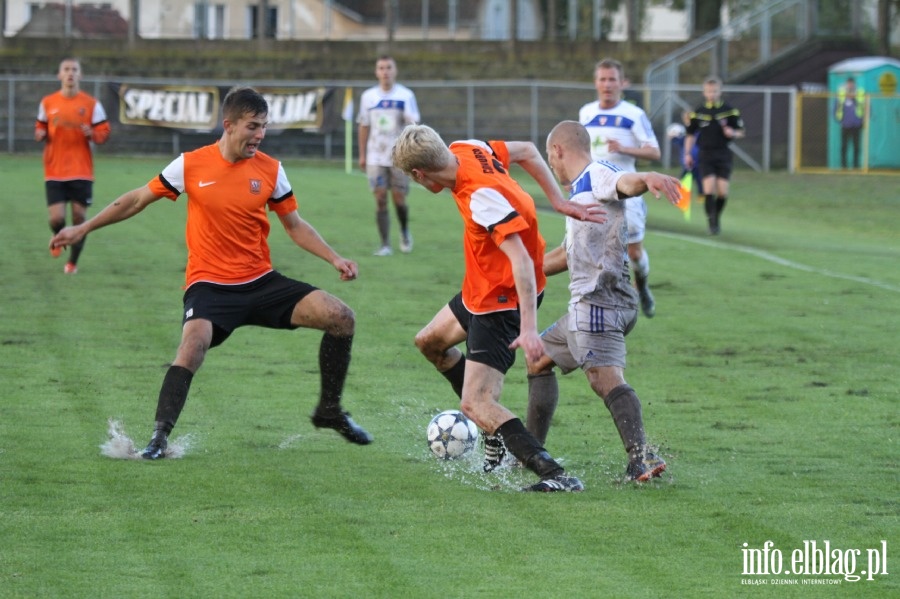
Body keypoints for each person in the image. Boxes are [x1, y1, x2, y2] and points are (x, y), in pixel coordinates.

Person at [50, 87, 372, 459]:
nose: (260, 135)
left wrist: (334, 258)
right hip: (210, 286)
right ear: (229, 124)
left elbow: (295, 225)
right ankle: (158, 440)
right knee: (192, 347)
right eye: (253, 126)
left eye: (264, 127)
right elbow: (137, 199)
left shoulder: (271, 169)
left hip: (261, 282)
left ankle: (329, 411)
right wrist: (82, 228)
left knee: (341, 317)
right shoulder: (190, 165)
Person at [391, 124, 604, 492]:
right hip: (480, 288)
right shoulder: (469, 148)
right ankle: (494, 431)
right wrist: (557, 201)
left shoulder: (481, 200)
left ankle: (555, 475)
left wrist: (527, 328)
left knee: (474, 403)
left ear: (418, 175)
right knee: (429, 342)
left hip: (501, 301)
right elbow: (527, 149)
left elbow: (521, 260)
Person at [526, 120, 681, 482]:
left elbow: (624, 183)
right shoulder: (580, 193)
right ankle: (531, 450)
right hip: (589, 306)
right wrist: (519, 271)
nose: (552, 165)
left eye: (551, 157)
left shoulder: (599, 173)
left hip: (599, 303)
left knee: (604, 378)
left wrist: (648, 177)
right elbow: (567, 255)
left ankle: (641, 457)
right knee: (537, 357)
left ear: (557, 151)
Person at [578, 58, 660, 319]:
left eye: (612, 79)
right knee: (594, 250)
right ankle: (603, 304)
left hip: (629, 191)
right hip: (595, 191)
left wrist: (624, 148)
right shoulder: (586, 112)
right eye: (602, 79)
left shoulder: (634, 114)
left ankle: (643, 285)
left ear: (621, 83)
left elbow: (654, 151)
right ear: (595, 83)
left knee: (634, 252)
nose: (607, 84)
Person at [35, 57, 111, 275]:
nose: (70, 73)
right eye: (66, 69)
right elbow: (40, 125)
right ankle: (59, 237)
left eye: (74, 69)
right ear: (59, 75)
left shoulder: (91, 104)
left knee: (79, 218)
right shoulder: (48, 102)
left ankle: (72, 263)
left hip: (81, 170)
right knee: (56, 218)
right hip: (54, 170)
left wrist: (93, 134)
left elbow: (104, 132)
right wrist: (39, 133)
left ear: (80, 75)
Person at [357, 55, 421, 256]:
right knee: (380, 197)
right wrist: (362, 154)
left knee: (399, 198)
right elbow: (364, 125)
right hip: (375, 156)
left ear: (395, 71)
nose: (385, 72)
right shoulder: (368, 97)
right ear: (377, 72)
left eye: (389, 68)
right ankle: (385, 244)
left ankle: (404, 231)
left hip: (399, 156)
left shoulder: (405, 95)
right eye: (381, 68)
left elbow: (414, 124)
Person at [684, 76, 745, 235]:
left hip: (723, 154)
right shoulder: (698, 112)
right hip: (705, 154)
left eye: (715, 91)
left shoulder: (729, 110)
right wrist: (688, 154)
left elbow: (741, 131)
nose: (712, 94)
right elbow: (690, 135)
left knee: (723, 192)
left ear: (720, 91)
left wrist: (732, 132)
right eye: (709, 91)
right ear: (704, 92)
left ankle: (716, 215)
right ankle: (712, 222)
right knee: (708, 189)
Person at [835, 76, 865, 169]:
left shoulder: (859, 93)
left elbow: (865, 107)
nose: (850, 85)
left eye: (852, 83)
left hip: (856, 124)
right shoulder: (841, 93)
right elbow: (836, 107)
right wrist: (839, 120)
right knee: (844, 146)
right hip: (845, 124)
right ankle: (844, 166)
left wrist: (862, 120)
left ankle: (856, 166)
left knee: (856, 147)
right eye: (849, 83)